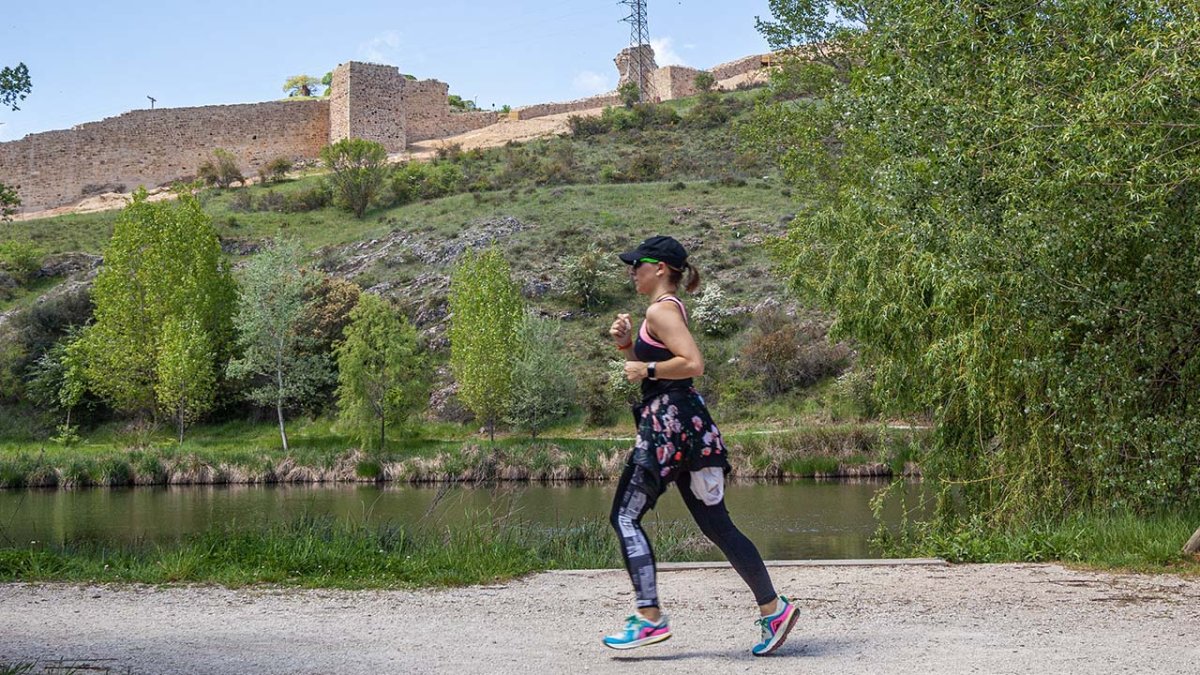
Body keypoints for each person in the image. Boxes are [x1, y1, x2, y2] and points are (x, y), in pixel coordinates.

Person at [601, 235, 798, 656]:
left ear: (660, 268)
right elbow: (661, 372)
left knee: (625, 516)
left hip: (668, 427)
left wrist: (644, 364)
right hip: (691, 427)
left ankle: (649, 618)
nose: (631, 270)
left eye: (637, 264)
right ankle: (774, 609)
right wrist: (625, 346)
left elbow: (692, 363)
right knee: (717, 525)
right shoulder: (663, 311)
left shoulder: (660, 309)